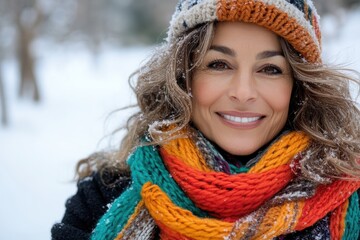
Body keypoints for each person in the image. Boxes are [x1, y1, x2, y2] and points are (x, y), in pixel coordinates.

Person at [51, 0, 360, 239]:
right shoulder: (102, 195)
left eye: (270, 69)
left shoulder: (346, 194)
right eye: (218, 64)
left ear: (300, 87)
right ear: (182, 77)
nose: (243, 92)